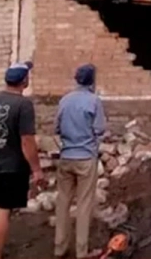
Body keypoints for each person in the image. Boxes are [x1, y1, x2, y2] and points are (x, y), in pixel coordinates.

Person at [0, 61, 44, 259]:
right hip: (12, 165)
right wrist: (37, 169)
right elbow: (27, 141)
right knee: (4, 211)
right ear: (24, 80)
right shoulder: (23, 105)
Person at [54, 64, 106, 259]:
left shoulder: (65, 100)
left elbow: (56, 128)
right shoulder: (94, 101)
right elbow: (99, 129)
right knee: (84, 205)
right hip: (86, 158)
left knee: (63, 202)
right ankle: (82, 251)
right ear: (92, 80)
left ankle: (59, 248)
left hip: (66, 156)